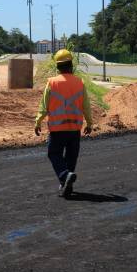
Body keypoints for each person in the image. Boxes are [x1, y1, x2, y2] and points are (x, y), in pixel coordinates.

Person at [34, 49, 93, 197]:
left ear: (58, 66)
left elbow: (44, 106)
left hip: (57, 129)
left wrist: (38, 121)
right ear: (71, 65)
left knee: (54, 153)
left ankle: (65, 176)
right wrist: (89, 123)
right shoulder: (79, 83)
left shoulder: (52, 83)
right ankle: (66, 185)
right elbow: (86, 106)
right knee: (71, 157)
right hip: (74, 129)